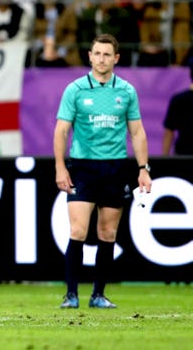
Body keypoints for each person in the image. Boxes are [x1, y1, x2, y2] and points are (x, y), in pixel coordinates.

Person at [53, 33, 152, 310]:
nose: (101, 59)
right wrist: (61, 167)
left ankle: (98, 294)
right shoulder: (75, 89)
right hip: (83, 167)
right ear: (90, 56)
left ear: (116, 58)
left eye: (107, 54)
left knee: (108, 233)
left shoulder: (126, 91)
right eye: (97, 53)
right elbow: (61, 131)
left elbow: (137, 132)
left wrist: (143, 169)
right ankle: (71, 294)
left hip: (115, 167)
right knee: (78, 229)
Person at [162, 65, 193, 155]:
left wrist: (164, 158)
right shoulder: (178, 99)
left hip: (183, 156)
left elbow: (169, 132)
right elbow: (169, 131)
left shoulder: (178, 99)